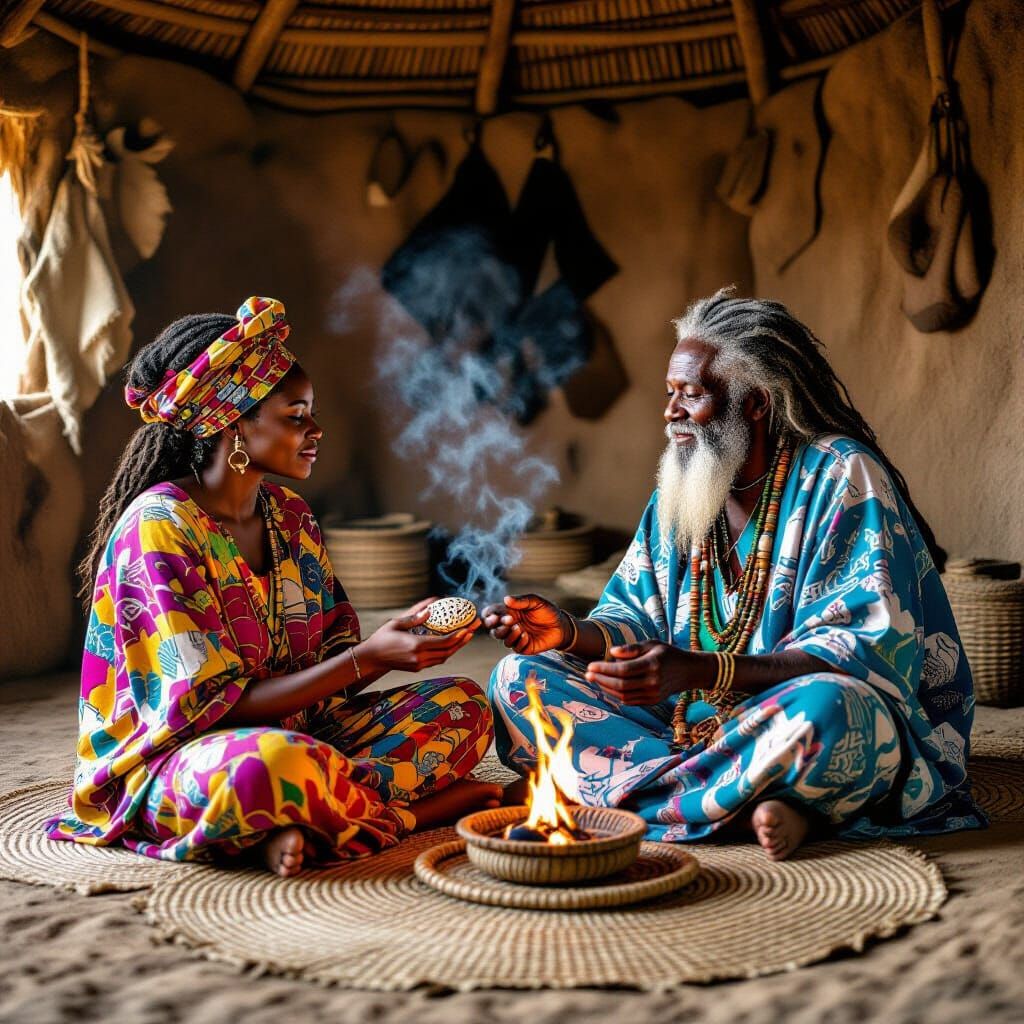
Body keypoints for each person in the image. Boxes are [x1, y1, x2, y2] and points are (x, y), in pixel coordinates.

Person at [485, 288, 983, 860]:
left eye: (692, 395)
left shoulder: (843, 473)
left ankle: (617, 798)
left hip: (785, 718)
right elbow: (632, 617)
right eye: (670, 393)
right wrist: (570, 632)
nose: (670, 412)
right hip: (682, 726)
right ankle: (755, 804)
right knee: (518, 676)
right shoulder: (683, 490)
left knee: (836, 712)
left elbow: (863, 652)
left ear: (756, 403)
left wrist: (703, 669)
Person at [46, 297, 500, 877]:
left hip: (302, 735)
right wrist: (367, 659)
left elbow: (331, 670)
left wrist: (395, 646)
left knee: (463, 707)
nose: (316, 431)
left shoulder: (289, 516)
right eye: (296, 416)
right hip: (182, 760)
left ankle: (297, 819)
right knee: (273, 765)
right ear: (234, 424)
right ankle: (407, 817)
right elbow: (209, 711)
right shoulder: (159, 528)